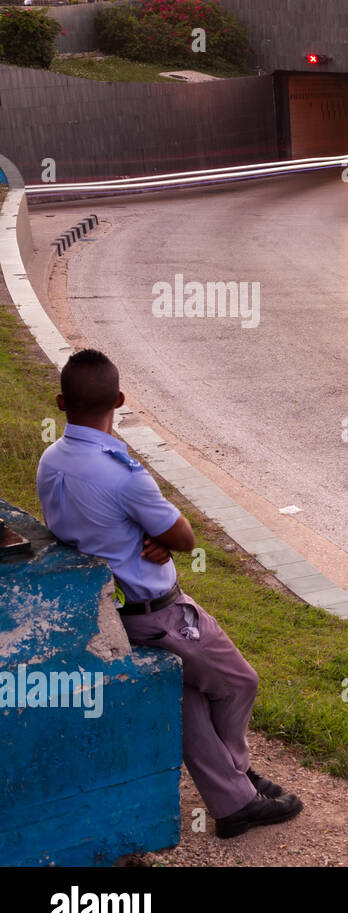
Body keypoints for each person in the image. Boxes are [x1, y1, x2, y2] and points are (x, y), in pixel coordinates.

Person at [36, 349, 304, 839]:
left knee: (187, 699)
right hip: (157, 616)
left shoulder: (51, 460)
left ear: (60, 402)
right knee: (239, 682)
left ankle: (234, 801)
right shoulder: (122, 473)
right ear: (119, 399)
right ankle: (239, 773)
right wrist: (159, 535)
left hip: (101, 613)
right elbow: (184, 537)